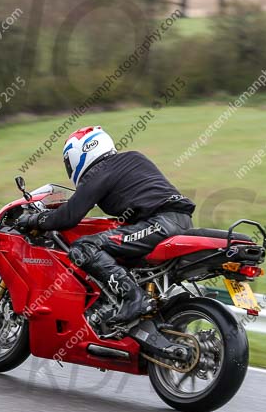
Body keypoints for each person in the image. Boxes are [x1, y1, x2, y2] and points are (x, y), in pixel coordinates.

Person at [16, 126, 195, 326]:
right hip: (181, 222)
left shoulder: (99, 171)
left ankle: (134, 299)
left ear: (81, 154)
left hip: (160, 224)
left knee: (85, 247)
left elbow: (68, 217)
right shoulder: (132, 159)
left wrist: (34, 220)